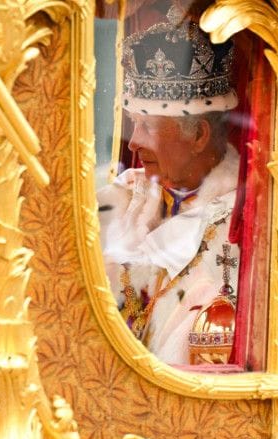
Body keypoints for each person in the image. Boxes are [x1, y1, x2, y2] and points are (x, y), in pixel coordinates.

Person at [97, 4, 240, 365]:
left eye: (149, 127)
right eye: (133, 124)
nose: (133, 144)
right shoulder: (126, 197)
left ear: (199, 135)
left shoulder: (245, 218)